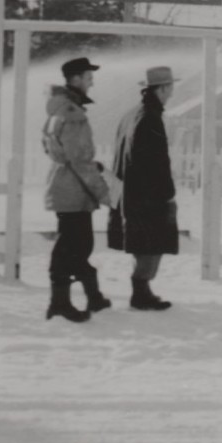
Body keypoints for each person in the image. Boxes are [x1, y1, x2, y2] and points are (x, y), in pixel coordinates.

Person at [42, 57, 113, 323]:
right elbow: (80, 161)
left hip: (67, 186)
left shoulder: (57, 111)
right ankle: (59, 303)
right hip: (74, 189)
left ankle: (93, 297)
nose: (92, 81)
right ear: (75, 80)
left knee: (79, 244)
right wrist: (105, 193)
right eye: (88, 76)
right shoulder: (72, 114)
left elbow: (53, 149)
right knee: (71, 247)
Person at [111, 66, 181, 310]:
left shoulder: (132, 114)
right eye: (170, 87)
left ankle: (142, 291)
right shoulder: (150, 117)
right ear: (161, 89)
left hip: (132, 193)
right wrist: (168, 194)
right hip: (149, 195)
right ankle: (140, 292)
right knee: (152, 244)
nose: (172, 92)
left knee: (144, 244)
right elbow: (157, 161)